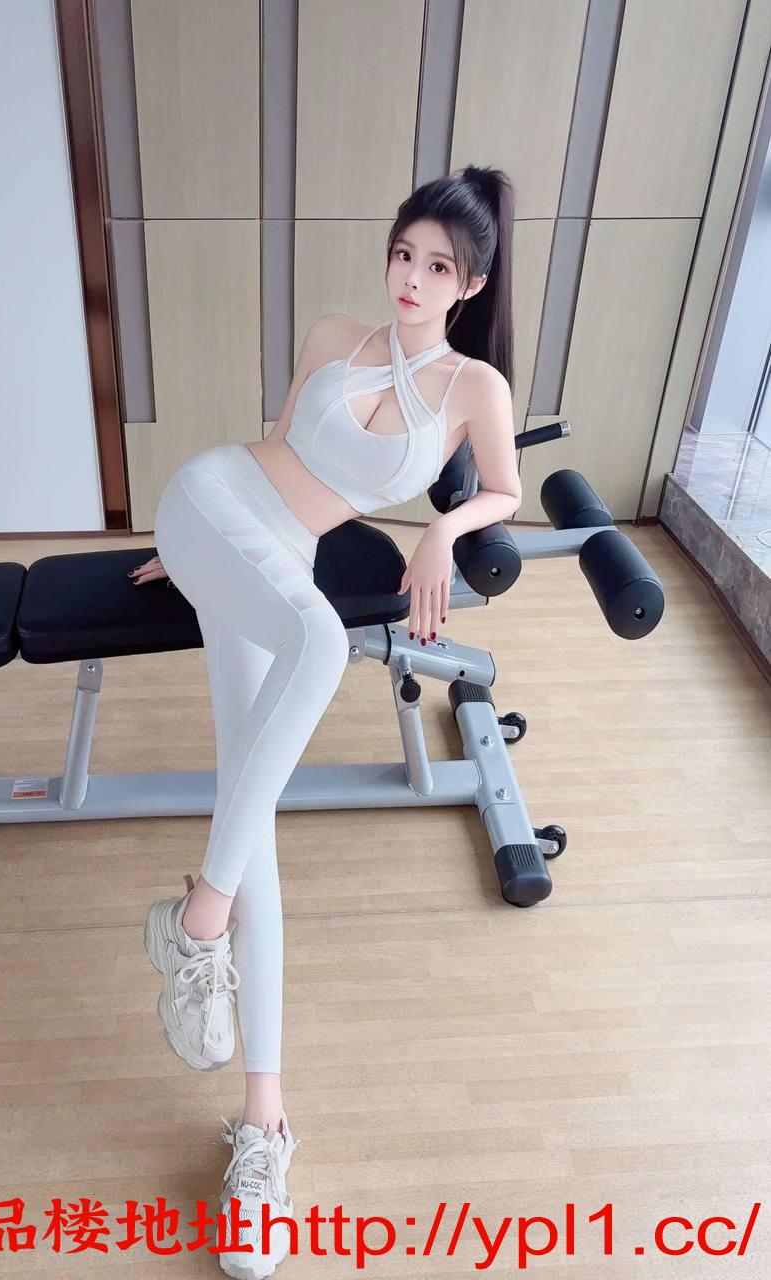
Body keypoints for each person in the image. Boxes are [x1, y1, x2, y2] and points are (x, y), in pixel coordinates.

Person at [136, 165, 522, 1278]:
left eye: (437, 267)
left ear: (470, 283)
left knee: (252, 817)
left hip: (277, 561)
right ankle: (197, 924)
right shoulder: (334, 333)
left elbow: (501, 489)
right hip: (214, 502)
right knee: (317, 641)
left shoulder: (474, 387)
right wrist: (199, 553)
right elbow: (273, 445)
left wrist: (444, 531)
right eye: (404, 254)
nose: (411, 279)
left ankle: (262, 1129)